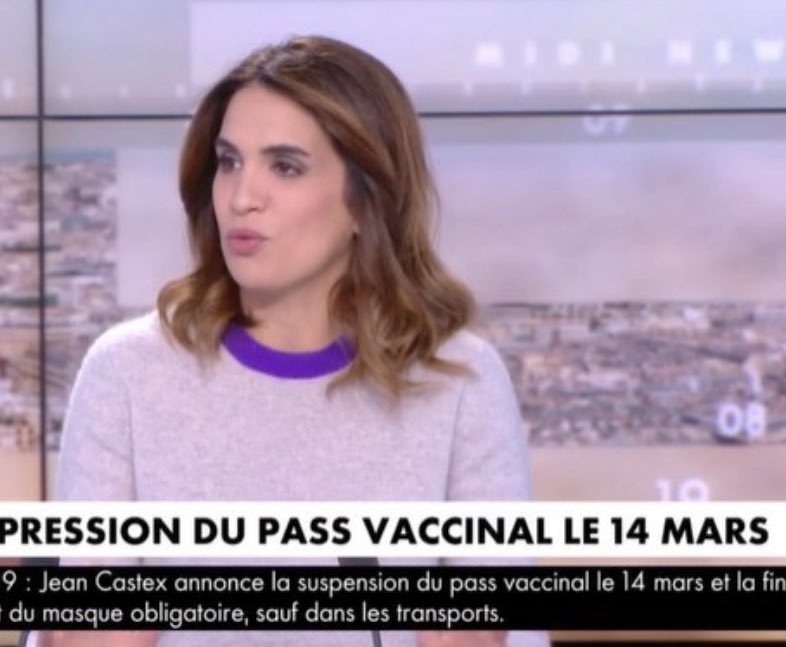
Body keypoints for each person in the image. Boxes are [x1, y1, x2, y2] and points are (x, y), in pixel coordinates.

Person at [40, 35, 541, 647]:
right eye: (229, 162)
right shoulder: (127, 371)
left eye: (285, 166)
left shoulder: (460, 381)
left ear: (366, 201)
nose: (241, 198)